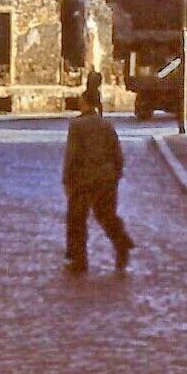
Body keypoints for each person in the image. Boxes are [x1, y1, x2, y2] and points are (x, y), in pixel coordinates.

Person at [62, 92, 134, 274]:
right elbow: (117, 153)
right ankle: (122, 243)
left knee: (77, 219)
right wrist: (116, 175)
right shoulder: (107, 124)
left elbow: (72, 155)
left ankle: (79, 260)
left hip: (84, 178)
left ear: (84, 103)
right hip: (107, 178)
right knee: (107, 215)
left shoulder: (76, 125)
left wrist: (67, 179)